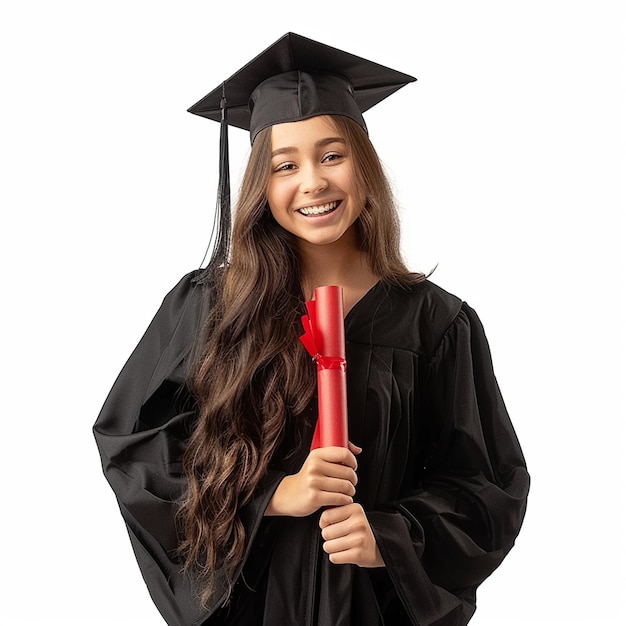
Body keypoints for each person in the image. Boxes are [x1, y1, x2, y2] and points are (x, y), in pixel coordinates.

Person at [94, 32, 530, 626]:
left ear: (363, 164)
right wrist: (272, 495)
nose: (313, 182)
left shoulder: (437, 323)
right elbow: (136, 448)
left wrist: (394, 536)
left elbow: (487, 485)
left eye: (332, 155)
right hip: (255, 605)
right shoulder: (210, 307)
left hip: (373, 609)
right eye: (285, 165)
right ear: (261, 186)